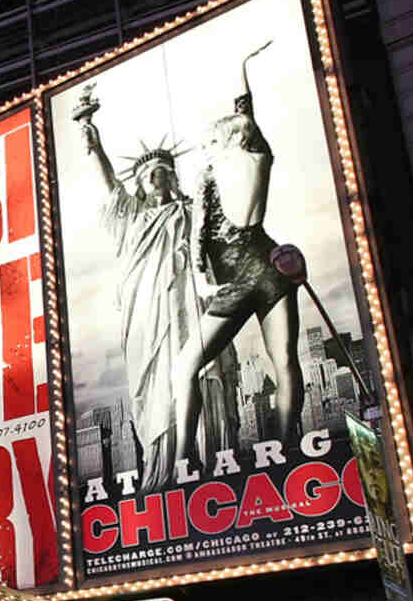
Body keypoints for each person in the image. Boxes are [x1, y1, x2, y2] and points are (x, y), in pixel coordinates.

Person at [77, 93, 234, 491]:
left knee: (197, 371)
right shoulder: (133, 216)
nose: (158, 181)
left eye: (165, 174)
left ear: (173, 178)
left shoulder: (189, 211)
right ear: (142, 185)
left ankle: (208, 457)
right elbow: (109, 183)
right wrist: (94, 143)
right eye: (151, 177)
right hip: (146, 310)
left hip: (187, 304)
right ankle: (162, 466)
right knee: (156, 386)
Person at [174, 39, 304, 468]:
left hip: (242, 276)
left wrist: (203, 277)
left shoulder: (214, 171)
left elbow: (200, 235)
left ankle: (181, 459)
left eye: (212, 137)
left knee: (185, 366)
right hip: (271, 265)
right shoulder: (258, 157)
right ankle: (287, 449)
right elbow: (247, 113)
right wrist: (241, 67)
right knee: (284, 361)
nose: (206, 144)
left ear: (227, 136)